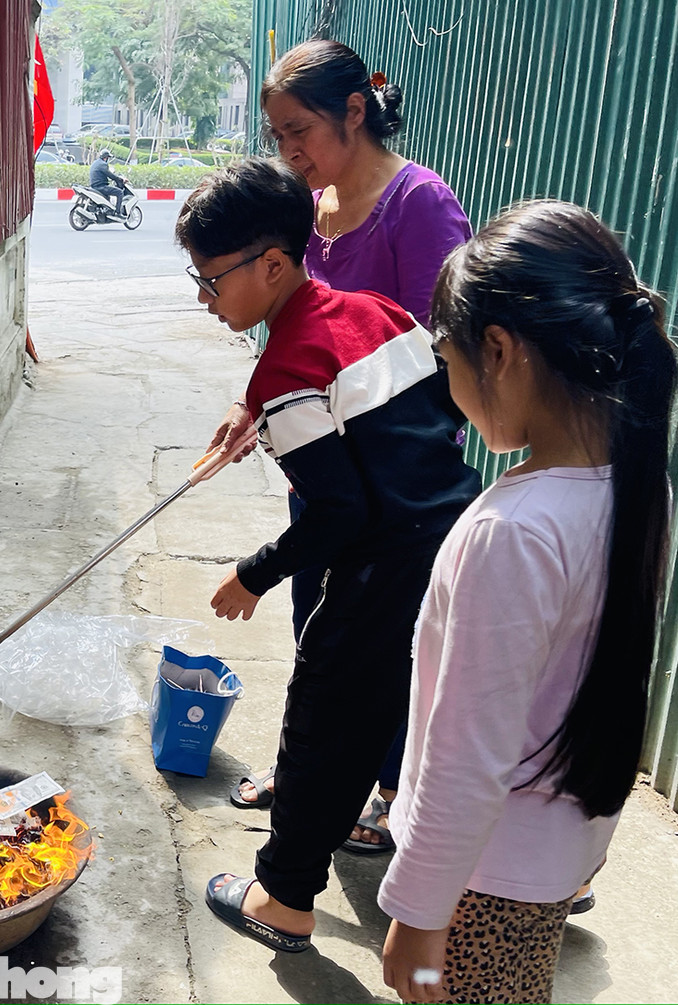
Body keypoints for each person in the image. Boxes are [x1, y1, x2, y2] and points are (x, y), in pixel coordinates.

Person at [177, 158, 479, 953]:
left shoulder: (285, 368)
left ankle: (282, 898)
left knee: (322, 724)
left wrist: (255, 572)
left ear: (272, 264)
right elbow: (442, 408)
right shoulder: (375, 309)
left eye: (211, 281)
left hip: (381, 568)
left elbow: (339, 511)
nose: (204, 299)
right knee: (411, 713)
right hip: (455, 539)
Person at [376, 200, 675, 1003]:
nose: (449, 379)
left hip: (480, 882)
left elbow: (467, 754)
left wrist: (419, 909)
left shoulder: (513, 531)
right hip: (546, 861)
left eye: (448, 357)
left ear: (499, 350)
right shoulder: (638, 490)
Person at [222, 41, 472, 855]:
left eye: (299, 130)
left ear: (354, 112)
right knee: (319, 628)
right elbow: (296, 332)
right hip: (326, 470)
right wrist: (253, 403)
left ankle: (388, 792)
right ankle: (314, 778)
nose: (288, 151)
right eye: (277, 135)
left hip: (391, 485)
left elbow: (447, 354)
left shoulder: (417, 203)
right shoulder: (311, 209)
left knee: (385, 648)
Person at [88, 149, 128, 217]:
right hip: (101, 187)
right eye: (108, 158)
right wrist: (120, 179)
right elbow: (110, 175)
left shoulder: (96, 163)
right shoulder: (103, 164)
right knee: (120, 192)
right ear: (106, 157)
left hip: (94, 186)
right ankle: (118, 213)